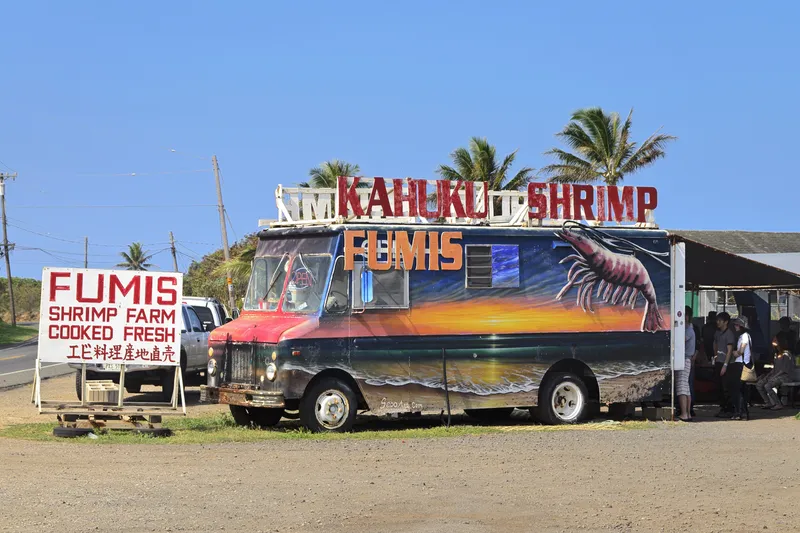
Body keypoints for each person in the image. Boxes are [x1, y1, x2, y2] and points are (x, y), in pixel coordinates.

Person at [756, 337, 796, 410]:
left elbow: (784, 369)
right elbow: (774, 368)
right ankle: (768, 402)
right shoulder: (776, 354)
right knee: (759, 384)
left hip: (785, 376)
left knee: (768, 386)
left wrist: (774, 377)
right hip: (775, 375)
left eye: (775, 341)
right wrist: (767, 376)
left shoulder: (786, 354)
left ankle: (778, 404)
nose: (773, 342)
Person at [723, 316, 751, 420]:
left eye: (737, 324)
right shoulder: (745, 336)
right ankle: (742, 412)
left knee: (737, 390)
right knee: (741, 390)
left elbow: (741, 350)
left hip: (741, 364)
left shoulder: (744, 336)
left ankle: (739, 412)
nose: (735, 326)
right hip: (743, 364)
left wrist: (736, 353)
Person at [713, 312, 736, 417]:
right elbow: (715, 343)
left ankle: (729, 409)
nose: (718, 322)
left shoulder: (729, 334)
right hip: (718, 361)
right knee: (719, 387)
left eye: (720, 320)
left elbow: (730, 350)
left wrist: (725, 365)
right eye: (717, 320)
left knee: (726, 387)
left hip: (725, 363)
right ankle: (722, 407)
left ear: (726, 322)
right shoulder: (717, 333)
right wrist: (715, 355)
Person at [676, 306, 697, 421]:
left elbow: (680, 340)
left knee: (682, 387)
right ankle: (687, 413)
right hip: (686, 359)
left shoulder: (688, 330)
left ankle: (684, 413)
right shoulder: (689, 329)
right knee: (686, 387)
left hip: (685, 359)